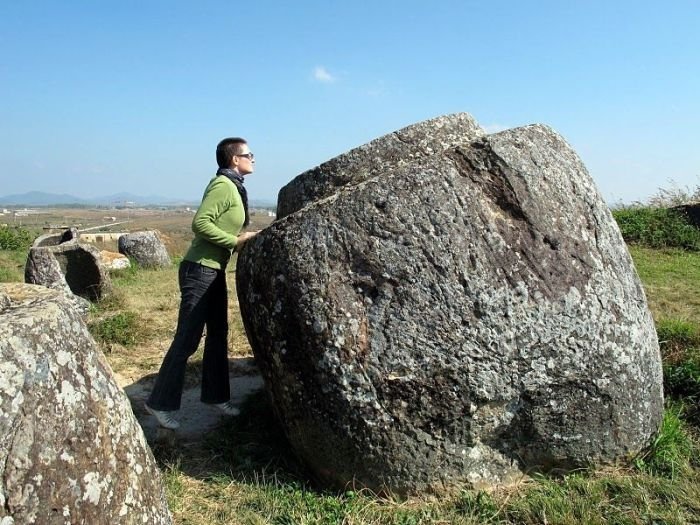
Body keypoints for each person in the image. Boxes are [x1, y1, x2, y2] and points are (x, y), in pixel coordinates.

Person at [145, 137, 259, 429]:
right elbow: (201, 222)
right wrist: (234, 241)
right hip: (199, 270)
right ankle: (159, 403)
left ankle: (217, 396)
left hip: (213, 270)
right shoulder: (222, 185)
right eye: (249, 154)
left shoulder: (234, 185)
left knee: (219, 334)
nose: (254, 159)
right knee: (187, 338)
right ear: (235, 159)